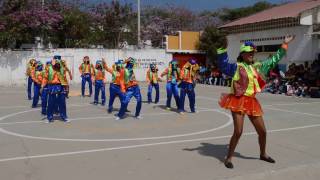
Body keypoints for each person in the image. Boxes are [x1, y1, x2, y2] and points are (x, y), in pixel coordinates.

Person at [216, 35, 295, 169]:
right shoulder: (236, 67)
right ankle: (229, 158)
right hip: (238, 100)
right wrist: (222, 49)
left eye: (253, 52)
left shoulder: (257, 67)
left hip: (252, 101)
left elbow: (273, 61)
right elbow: (223, 66)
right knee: (238, 131)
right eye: (249, 52)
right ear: (243, 54)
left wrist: (284, 44)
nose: (252, 54)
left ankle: (263, 154)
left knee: (263, 131)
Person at [41, 55, 69, 123]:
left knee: (62, 102)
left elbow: (65, 78)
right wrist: (42, 86)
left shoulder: (62, 68)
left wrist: (67, 87)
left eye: (58, 60)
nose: (57, 61)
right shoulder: (49, 67)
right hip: (52, 85)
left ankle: (64, 116)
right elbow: (45, 77)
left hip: (61, 85)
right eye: (55, 59)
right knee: (51, 102)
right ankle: (49, 117)